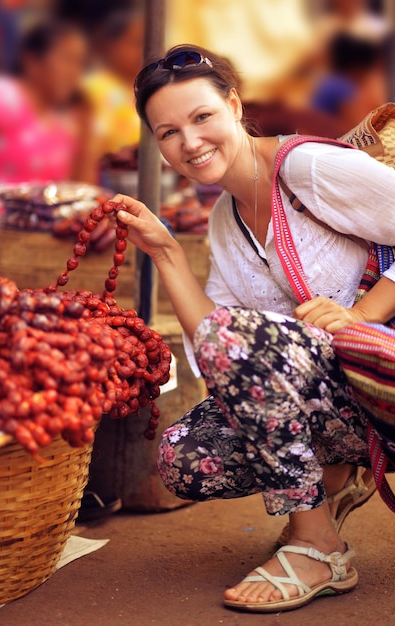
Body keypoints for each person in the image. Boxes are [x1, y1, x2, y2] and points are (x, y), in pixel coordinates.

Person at [111, 44, 395, 613]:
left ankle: (318, 543)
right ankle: (337, 471)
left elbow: (227, 337)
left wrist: (365, 313)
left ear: (234, 105)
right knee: (185, 456)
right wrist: (166, 253)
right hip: (338, 393)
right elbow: (214, 345)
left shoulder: (307, 169)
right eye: (167, 132)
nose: (188, 143)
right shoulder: (223, 220)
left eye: (201, 117)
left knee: (235, 339)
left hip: (381, 374)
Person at [0, 17, 94, 266]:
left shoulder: (65, 117)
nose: (75, 72)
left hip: (39, 255)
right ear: (32, 62)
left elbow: (80, 188)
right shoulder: (1, 98)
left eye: (79, 63)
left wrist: (87, 133)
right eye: (66, 59)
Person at [83, 5, 143, 156]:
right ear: (112, 45)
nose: (143, 51)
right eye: (136, 43)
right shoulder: (93, 88)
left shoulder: (149, 87)